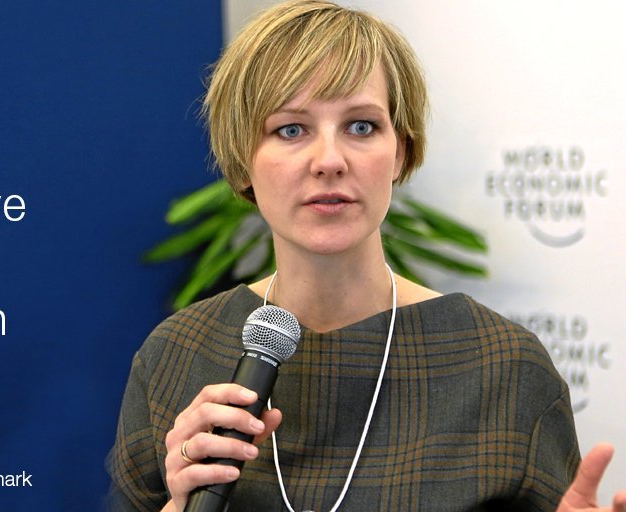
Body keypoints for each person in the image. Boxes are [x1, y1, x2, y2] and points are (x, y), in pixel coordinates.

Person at [106, 1, 626, 511]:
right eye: (291, 129)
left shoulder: (504, 367)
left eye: (360, 126)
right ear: (243, 162)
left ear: (401, 152)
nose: (329, 161)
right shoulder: (175, 356)